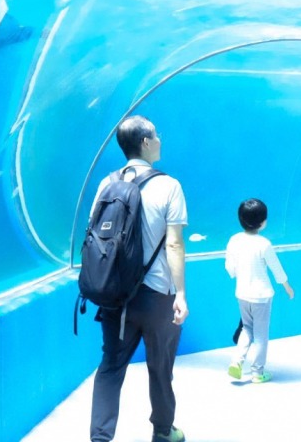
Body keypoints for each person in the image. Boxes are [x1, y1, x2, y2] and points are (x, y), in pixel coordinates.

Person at [89, 115, 189, 442]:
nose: (160, 140)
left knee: (111, 367)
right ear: (145, 142)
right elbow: (174, 244)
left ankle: (100, 437)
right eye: (156, 135)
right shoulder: (169, 185)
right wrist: (180, 294)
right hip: (157, 294)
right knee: (160, 367)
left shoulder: (106, 184)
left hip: (115, 295)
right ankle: (163, 431)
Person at [224, 198, 294, 384]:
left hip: (242, 294)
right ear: (263, 222)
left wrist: (237, 273)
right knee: (261, 334)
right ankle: (257, 372)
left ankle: (237, 362)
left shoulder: (234, 240)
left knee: (247, 328)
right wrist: (287, 287)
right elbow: (276, 268)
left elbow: (230, 267)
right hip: (261, 297)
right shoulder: (264, 244)